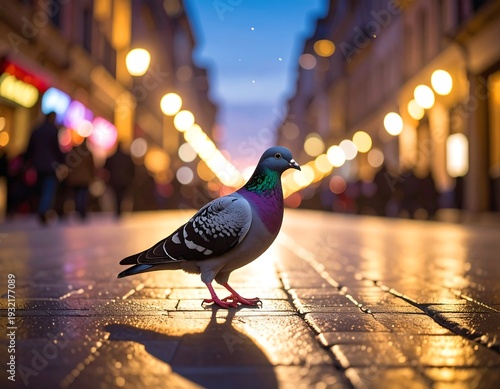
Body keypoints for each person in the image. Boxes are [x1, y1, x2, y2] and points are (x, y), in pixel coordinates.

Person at [24, 112, 66, 224]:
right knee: (48, 189)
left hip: (37, 164)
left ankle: (40, 208)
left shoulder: (37, 129)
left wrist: (28, 161)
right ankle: (43, 210)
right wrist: (62, 161)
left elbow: (30, 147)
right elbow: (56, 149)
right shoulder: (53, 130)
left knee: (39, 188)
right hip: (50, 165)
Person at [65, 139, 95, 220]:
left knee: (77, 195)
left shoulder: (74, 152)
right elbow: (91, 166)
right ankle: (82, 211)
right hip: (85, 178)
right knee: (83, 195)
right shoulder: (88, 153)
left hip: (75, 179)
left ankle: (79, 210)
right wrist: (92, 177)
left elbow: (69, 165)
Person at [104, 141, 135, 217]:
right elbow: (132, 169)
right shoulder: (127, 157)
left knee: (116, 196)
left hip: (115, 180)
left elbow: (105, 168)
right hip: (124, 180)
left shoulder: (111, 157)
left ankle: (118, 210)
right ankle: (120, 210)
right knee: (122, 195)